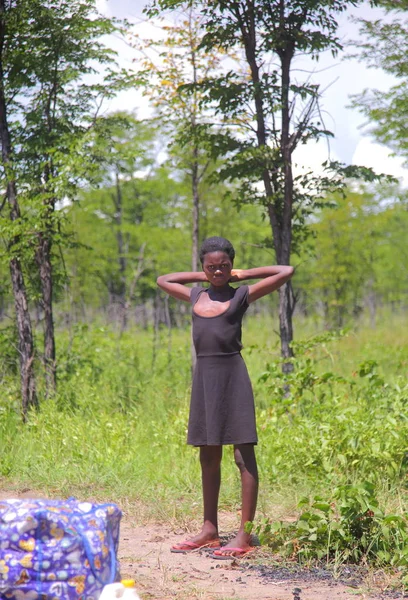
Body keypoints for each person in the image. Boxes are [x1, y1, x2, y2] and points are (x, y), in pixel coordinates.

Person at [156, 236, 294, 559]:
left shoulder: (241, 295)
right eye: (211, 266)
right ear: (203, 268)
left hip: (233, 378)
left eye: (224, 266)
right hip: (205, 381)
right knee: (208, 454)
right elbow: (163, 280)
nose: (218, 271)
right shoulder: (195, 295)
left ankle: (244, 536)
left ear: (232, 266)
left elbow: (285, 271)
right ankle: (209, 531)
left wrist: (243, 275)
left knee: (243, 455)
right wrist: (201, 276)